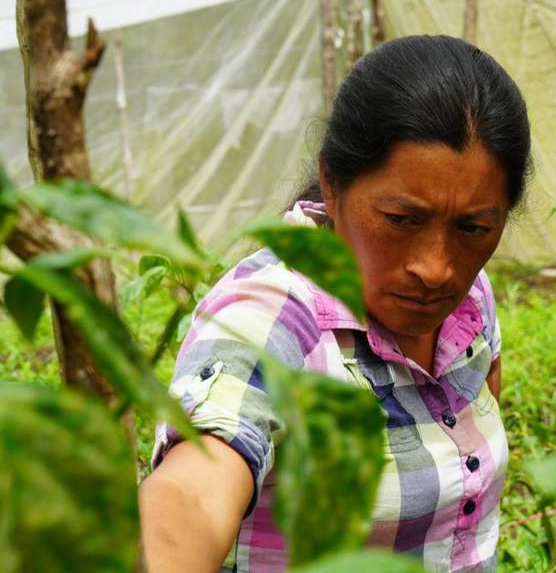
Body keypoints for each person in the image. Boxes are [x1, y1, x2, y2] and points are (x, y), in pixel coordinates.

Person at [139, 34, 532, 573]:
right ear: (331, 182)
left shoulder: (471, 299)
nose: (436, 267)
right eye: (401, 219)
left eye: (474, 226)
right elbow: (191, 496)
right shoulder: (271, 315)